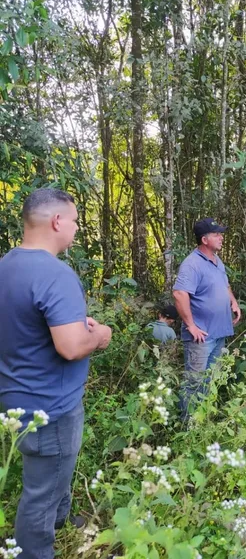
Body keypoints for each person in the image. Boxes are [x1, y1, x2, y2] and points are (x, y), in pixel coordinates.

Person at [0, 188, 112, 559]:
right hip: (51, 406)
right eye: (76, 220)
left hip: (15, 397)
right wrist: (98, 336)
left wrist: (78, 326)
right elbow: (69, 346)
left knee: (52, 475)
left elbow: (27, 327)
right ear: (57, 221)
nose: (77, 229)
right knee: (41, 494)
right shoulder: (55, 275)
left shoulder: (7, 266)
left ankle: (62, 520)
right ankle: (35, 550)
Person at [173, 217, 241, 418]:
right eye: (216, 234)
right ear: (204, 239)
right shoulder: (192, 264)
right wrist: (191, 325)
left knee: (209, 380)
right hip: (201, 337)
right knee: (194, 382)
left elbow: (224, 285)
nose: (221, 237)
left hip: (219, 333)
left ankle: (201, 422)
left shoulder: (217, 262)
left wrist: (233, 302)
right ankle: (187, 427)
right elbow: (179, 294)